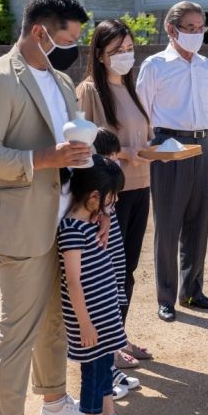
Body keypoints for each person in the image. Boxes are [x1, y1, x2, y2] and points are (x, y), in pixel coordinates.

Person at [0, 0, 92, 415]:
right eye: (67, 36)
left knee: (55, 321)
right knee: (18, 327)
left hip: (63, 216)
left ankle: (55, 399)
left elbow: (69, 138)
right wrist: (44, 160)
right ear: (41, 31)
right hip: (19, 223)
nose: (71, 46)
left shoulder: (59, 80)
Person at [57, 156, 147, 415]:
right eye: (112, 196)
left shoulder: (92, 222)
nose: (116, 201)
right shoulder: (72, 229)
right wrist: (84, 323)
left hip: (103, 317)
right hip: (89, 322)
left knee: (105, 372)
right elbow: (72, 281)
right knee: (93, 377)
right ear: (94, 197)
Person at [136, 1, 208, 322]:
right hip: (168, 142)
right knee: (168, 224)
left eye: (201, 28)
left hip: (202, 142)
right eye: (191, 28)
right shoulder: (155, 66)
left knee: (199, 221)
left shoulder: (205, 65)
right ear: (172, 30)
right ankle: (166, 296)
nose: (197, 34)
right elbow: (142, 111)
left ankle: (192, 290)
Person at [77, 20, 155, 363]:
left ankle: (118, 339)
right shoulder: (90, 91)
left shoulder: (130, 87)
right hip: (109, 195)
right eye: (116, 51)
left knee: (129, 270)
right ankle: (106, 346)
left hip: (141, 186)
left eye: (129, 49)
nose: (125, 56)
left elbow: (140, 135)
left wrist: (154, 148)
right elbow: (86, 145)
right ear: (99, 54)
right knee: (109, 272)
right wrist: (124, 153)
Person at [89, 129, 144, 392]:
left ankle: (111, 365)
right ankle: (106, 372)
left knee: (111, 312)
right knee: (99, 316)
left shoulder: (108, 202)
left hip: (114, 277)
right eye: (110, 157)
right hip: (99, 281)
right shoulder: (92, 196)